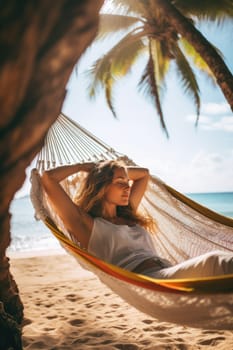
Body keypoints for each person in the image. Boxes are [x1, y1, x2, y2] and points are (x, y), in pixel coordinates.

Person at [41, 159, 233, 279]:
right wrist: (85, 167)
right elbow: (48, 179)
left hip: (169, 271)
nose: (127, 187)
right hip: (149, 280)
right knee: (217, 262)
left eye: (127, 182)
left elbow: (143, 174)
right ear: (101, 186)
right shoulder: (87, 225)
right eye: (120, 183)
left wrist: (115, 170)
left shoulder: (126, 213)